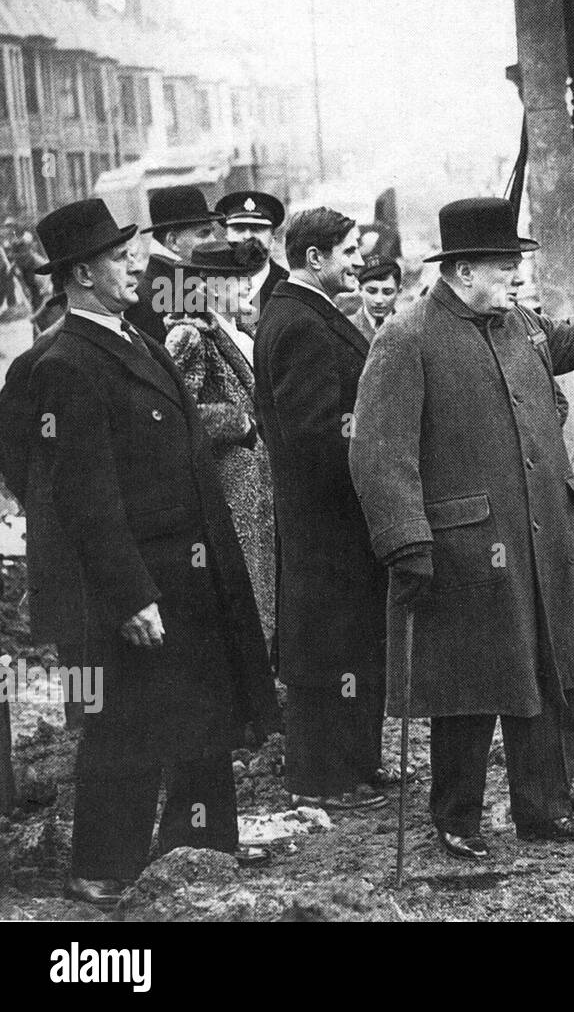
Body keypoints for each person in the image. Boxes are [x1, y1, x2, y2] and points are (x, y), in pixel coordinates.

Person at [348, 197, 574, 861]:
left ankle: (545, 810)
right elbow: (379, 453)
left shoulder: (520, 323)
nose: (517, 276)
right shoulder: (406, 338)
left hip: (542, 534)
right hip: (464, 548)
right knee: (469, 686)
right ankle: (456, 819)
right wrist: (405, 539)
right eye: (504, 265)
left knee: (550, 674)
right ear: (462, 271)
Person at [20, 199, 276, 907]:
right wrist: (129, 594)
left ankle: (198, 847)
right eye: (116, 256)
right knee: (123, 723)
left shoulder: (132, 337)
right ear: (80, 274)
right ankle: (103, 864)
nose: (134, 264)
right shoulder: (68, 362)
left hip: (187, 566)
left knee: (201, 713)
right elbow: (81, 496)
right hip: (140, 580)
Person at [253, 207, 389, 811]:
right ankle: (320, 778)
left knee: (353, 640)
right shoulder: (301, 323)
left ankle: (356, 766)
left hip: (332, 517)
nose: (358, 262)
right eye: (349, 251)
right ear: (315, 259)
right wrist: (370, 449)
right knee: (327, 647)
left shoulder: (304, 313)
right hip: (325, 519)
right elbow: (313, 434)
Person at [163, 239, 276, 647]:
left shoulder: (239, 330)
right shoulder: (190, 335)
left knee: (262, 584)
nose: (247, 288)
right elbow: (174, 413)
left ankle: (266, 687)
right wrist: (239, 421)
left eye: (247, 280)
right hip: (228, 485)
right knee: (243, 592)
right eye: (234, 282)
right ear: (207, 286)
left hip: (254, 483)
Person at [127, 186, 223, 343]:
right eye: (204, 233)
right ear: (173, 241)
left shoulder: (185, 282)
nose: (212, 240)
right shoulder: (148, 298)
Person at [214, 190, 289, 320]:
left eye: (257, 229)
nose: (247, 236)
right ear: (226, 235)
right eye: (239, 228)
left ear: (273, 238)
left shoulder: (288, 287)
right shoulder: (212, 286)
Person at [349, 255, 401, 341]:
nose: (379, 300)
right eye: (371, 291)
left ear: (399, 292)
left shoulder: (410, 328)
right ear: (360, 289)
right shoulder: (346, 327)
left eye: (387, 292)